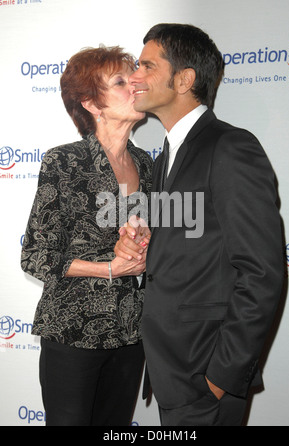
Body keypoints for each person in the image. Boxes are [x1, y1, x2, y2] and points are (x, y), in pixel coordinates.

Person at [115, 24, 284, 426]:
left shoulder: (230, 147)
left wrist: (219, 378)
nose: (134, 77)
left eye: (147, 66)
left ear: (184, 79)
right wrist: (139, 243)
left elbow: (262, 273)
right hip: (169, 368)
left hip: (203, 375)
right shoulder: (163, 159)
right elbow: (188, 245)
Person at [21, 45, 153, 426]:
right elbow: (34, 255)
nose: (136, 86)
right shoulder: (63, 161)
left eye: (134, 77)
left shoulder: (147, 162)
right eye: (119, 81)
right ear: (91, 103)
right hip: (71, 332)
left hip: (130, 333)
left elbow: (149, 235)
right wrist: (109, 268)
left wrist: (143, 245)